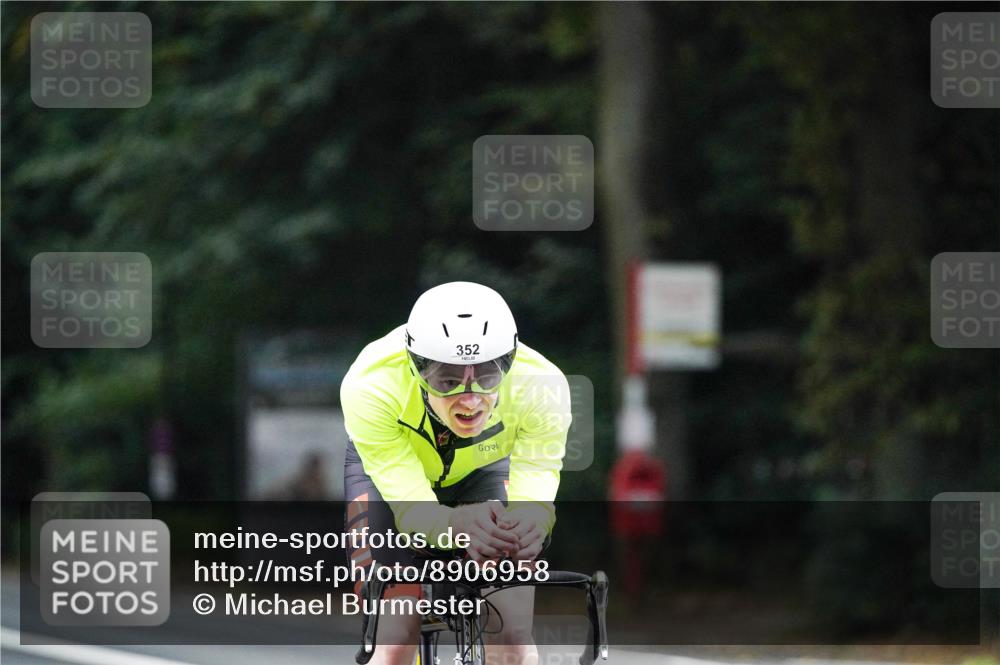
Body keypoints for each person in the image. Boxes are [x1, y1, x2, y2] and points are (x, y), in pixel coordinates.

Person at [341, 281, 571, 665]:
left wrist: (530, 524)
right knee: (396, 637)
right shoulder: (371, 385)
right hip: (392, 482)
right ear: (417, 369)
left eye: (488, 377)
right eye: (447, 380)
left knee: (511, 634)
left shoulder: (542, 386)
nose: (470, 398)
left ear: (509, 364)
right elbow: (414, 515)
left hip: (483, 470)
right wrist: (458, 524)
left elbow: (536, 490)